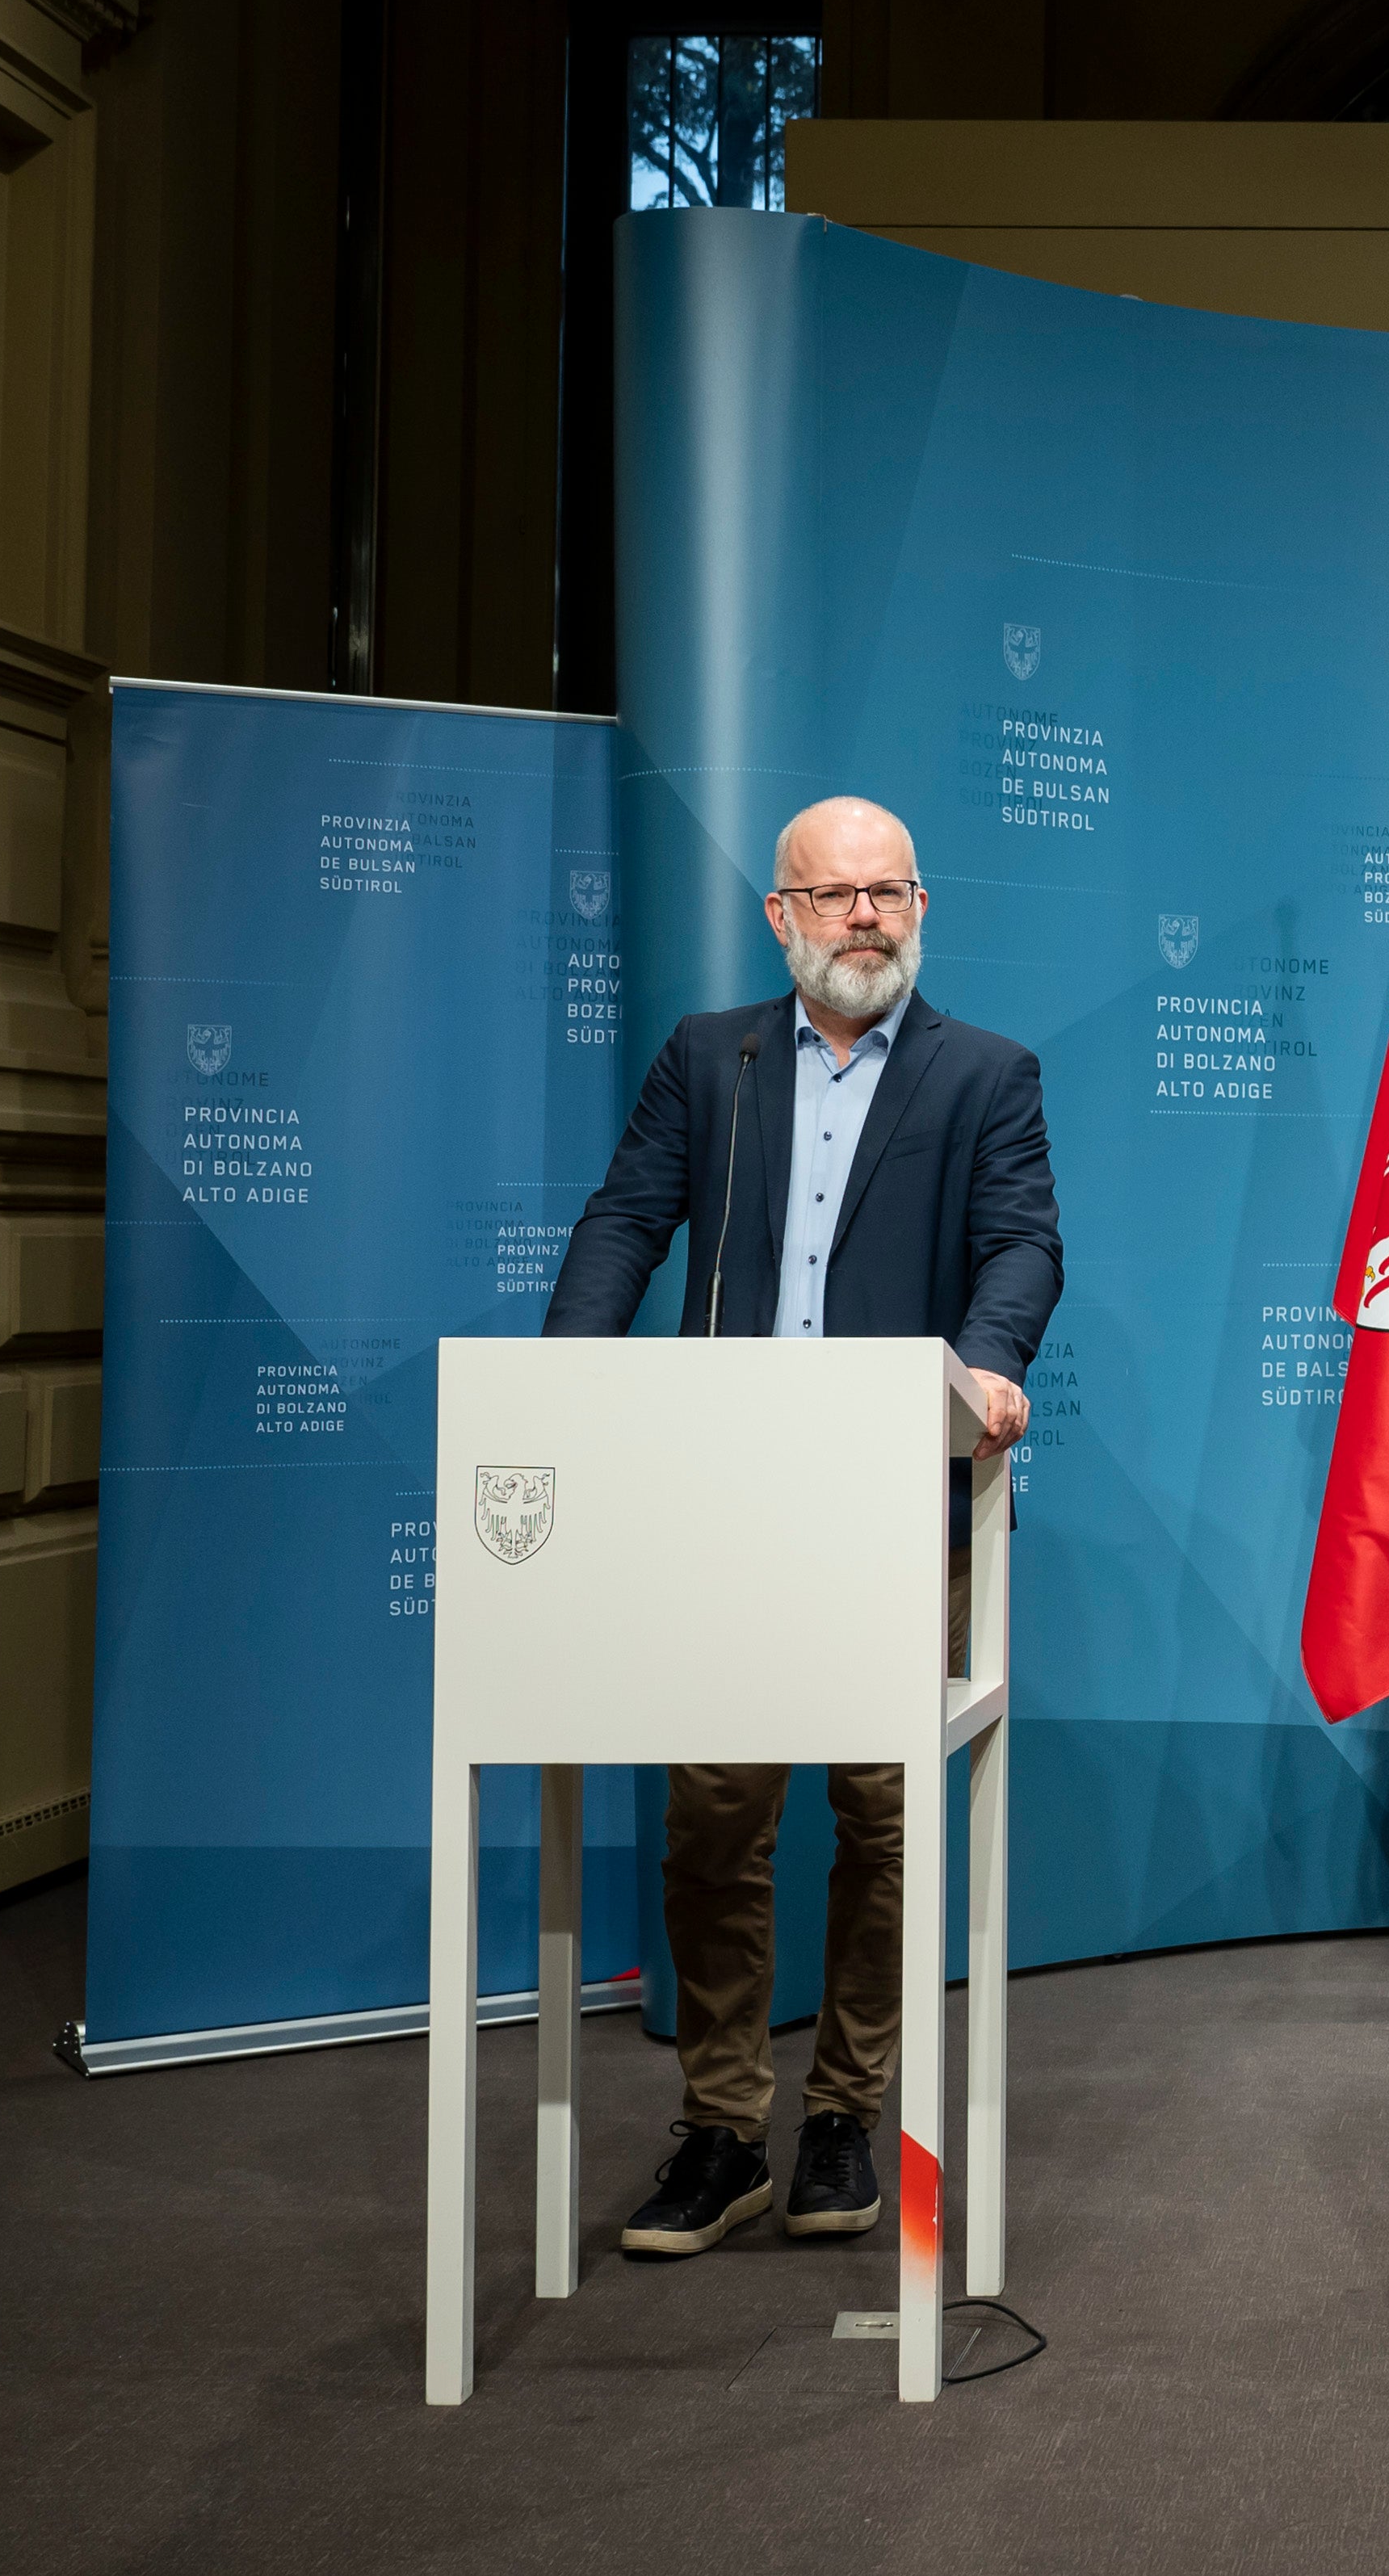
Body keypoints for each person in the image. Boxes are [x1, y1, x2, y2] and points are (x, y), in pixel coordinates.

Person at [543, 795, 1060, 2258]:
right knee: (716, 1817)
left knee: (882, 1816)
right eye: (831, 895)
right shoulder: (714, 1057)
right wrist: (566, 1379)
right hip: (730, 1497)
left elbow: (1023, 1238)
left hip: (901, 1486)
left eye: (887, 891)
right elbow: (627, 1217)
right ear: (781, 917)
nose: (862, 917)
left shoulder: (984, 1072)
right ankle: (720, 2127)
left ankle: (843, 2109)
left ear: (917, 906)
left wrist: (994, 1358)